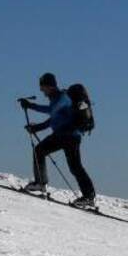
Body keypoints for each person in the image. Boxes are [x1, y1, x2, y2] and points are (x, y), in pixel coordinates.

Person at [19, 72, 97, 208]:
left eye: (42, 87)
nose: (41, 90)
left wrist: (32, 106)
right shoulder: (56, 98)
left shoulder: (63, 97)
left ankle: (41, 184)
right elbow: (54, 117)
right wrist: (37, 127)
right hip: (66, 135)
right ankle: (87, 196)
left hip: (69, 135)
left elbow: (53, 111)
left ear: (49, 86)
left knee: (44, 152)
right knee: (72, 165)